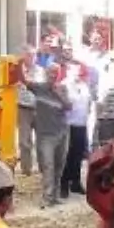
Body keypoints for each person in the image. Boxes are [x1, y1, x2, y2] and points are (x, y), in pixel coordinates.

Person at [25, 62, 71, 207]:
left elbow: (68, 106)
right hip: (45, 134)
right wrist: (20, 63)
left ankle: (55, 197)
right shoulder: (38, 87)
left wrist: (56, 92)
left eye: (55, 73)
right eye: (50, 72)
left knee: (59, 165)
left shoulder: (62, 88)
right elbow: (23, 81)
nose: (53, 75)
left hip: (62, 132)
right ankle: (47, 197)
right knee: (48, 165)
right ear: (45, 73)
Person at [60, 63, 95, 198]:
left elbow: (88, 102)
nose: (79, 75)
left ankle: (75, 182)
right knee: (67, 155)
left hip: (81, 124)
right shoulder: (64, 85)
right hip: (68, 124)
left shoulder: (84, 85)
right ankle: (64, 183)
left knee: (78, 155)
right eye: (76, 72)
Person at [16, 46, 41, 177]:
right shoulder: (16, 72)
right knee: (25, 142)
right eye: (29, 55)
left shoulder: (40, 71)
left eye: (33, 55)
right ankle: (27, 170)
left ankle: (43, 168)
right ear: (23, 57)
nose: (32, 58)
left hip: (39, 109)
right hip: (23, 108)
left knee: (42, 140)